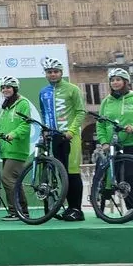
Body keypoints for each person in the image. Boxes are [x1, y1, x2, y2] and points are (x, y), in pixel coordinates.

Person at [96, 68, 133, 221]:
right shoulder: (106, 102)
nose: (115, 82)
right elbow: (100, 125)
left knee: (130, 174)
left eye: (118, 79)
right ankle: (131, 208)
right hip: (113, 145)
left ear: (126, 82)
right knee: (119, 178)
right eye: (112, 80)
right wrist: (103, 142)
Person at [39, 56, 86, 221]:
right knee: (62, 174)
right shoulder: (43, 92)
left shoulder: (72, 89)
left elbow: (81, 112)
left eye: (56, 71)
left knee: (72, 173)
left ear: (61, 72)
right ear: (46, 74)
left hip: (70, 137)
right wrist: (45, 130)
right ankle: (68, 209)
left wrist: (72, 131)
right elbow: (44, 113)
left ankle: (77, 210)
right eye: (49, 72)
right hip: (54, 137)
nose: (53, 74)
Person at [0, 76, 31, 221]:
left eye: (8, 87)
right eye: (3, 88)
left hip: (17, 149)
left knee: (7, 178)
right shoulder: (4, 108)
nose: (5, 90)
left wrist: (13, 134)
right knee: (14, 181)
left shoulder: (23, 104)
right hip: (6, 151)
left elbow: (25, 125)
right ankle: (23, 211)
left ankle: (15, 211)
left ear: (15, 88)